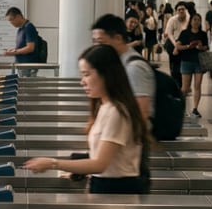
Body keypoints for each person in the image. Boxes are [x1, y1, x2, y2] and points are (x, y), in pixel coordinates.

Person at [23, 44, 149, 193]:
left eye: (87, 74)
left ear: (106, 74)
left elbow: (99, 164)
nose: (82, 81)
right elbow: (101, 158)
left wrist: (52, 163)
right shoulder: (104, 107)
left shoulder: (117, 112)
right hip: (106, 186)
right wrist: (78, 169)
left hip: (117, 191)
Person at [91, 14, 153, 122]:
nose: (97, 47)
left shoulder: (134, 68)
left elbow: (141, 113)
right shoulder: (116, 62)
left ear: (118, 38)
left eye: (101, 42)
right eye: (94, 42)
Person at [177, 12, 210, 118]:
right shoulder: (184, 33)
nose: (196, 22)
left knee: (197, 85)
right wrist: (188, 46)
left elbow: (206, 47)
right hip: (186, 61)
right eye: (194, 19)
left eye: (198, 20)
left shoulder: (203, 34)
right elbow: (178, 46)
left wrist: (201, 47)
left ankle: (195, 108)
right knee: (185, 87)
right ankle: (181, 108)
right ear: (190, 21)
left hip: (199, 61)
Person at [3, 7, 39, 75]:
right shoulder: (21, 29)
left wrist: (15, 52)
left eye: (11, 20)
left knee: (25, 85)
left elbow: (30, 48)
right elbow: (22, 46)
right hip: (21, 65)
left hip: (27, 66)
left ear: (18, 16)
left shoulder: (29, 28)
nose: (11, 23)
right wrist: (13, 50)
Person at [163, 2, 190, 81]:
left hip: (184, 45)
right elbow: (169, 34)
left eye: (183, 9)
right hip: (173, 43)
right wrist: (176, 46)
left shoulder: (188, 20)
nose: (181, 11)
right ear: (176, 11)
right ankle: (176, 82)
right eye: (179, 9)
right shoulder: (172, 20)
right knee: (175, 66)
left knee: (184, 65)